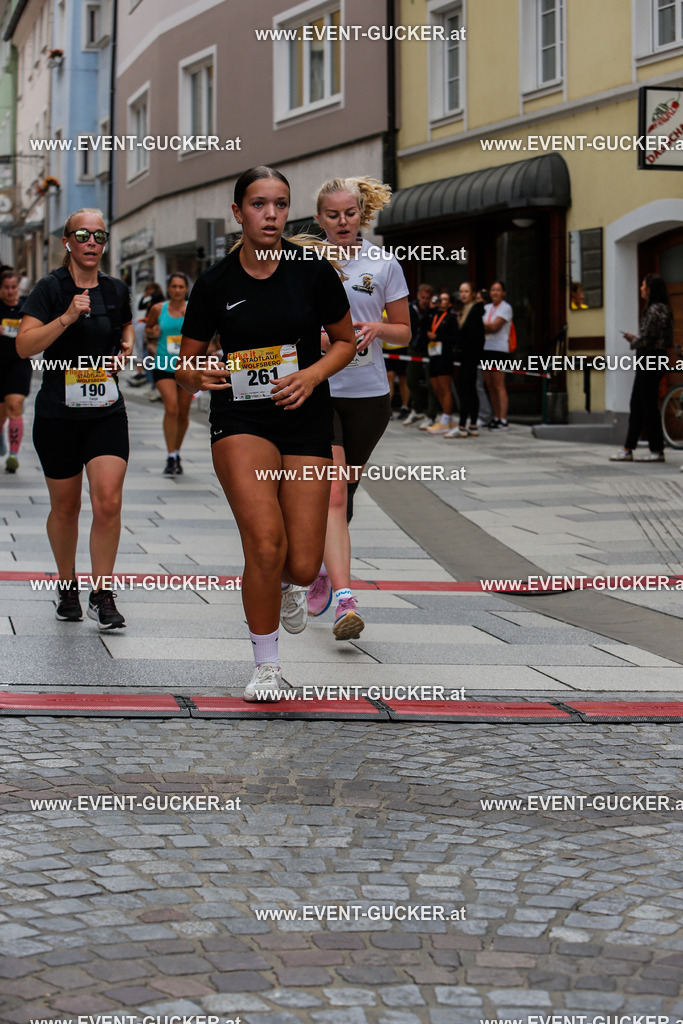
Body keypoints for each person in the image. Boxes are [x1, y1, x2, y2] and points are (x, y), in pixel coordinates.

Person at [176, 166, 355, 701]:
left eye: (280, 204)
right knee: (264, 542)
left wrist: (312, 373)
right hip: (241, 419)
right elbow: (185, 363)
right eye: (259, 204)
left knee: (300, 562)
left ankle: (288, 587)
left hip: (304, 414)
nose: (271, 213)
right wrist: (194, 375)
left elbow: (345, 342)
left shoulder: (313, 271)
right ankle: (266, 664)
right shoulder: (214, 283)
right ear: (239, 213)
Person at [16, 208, 133, 628]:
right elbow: (24, 347)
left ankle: (102, 593)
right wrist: (65, 318)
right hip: (58, 415)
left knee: (109, 500)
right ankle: (67, 584)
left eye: (99, 236)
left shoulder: (116, 288)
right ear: (67, 241)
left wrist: (124, 351)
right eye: (82, 234)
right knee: (66, 507)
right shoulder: (50, 288)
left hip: (105, 411)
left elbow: (126, 328)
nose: (91, 242)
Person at [305, 176, 410, 639]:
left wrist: (375, 329)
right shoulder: (305, 261)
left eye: (350, 213)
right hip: (321, 389)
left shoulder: (384, 263)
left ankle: (325, 567)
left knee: (343, 495)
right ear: (320, 218)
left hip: (369, 397)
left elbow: (405, 331)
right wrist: (317, 339)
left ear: (361, 214)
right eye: (332, 214)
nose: (342, 221)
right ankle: (345, 599)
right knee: (331, 491)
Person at [610, 273, 673, 463]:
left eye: (644, 286)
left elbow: (646, 340)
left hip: (649, 359)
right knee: (638, 403)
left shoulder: (653, 311)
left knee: (645, 405)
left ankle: (655, 450)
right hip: (657, 358)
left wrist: (633, 339)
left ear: (651, 289)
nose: (641, 289)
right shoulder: (665, 310)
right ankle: (628, 448)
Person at [145, 273, 193, 475]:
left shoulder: (193, 308)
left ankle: (178, 451)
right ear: (168, 288)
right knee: (171, 408)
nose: (177, 290)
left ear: (186, 289)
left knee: (183, 412)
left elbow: (205, 333)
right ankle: (170, 454)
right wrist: (152, 333)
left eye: (181, 287)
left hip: (188, 366)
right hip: (163, 364)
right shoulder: (158, 309)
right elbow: (148, 330)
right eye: (173, 286)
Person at [446, 281, 486, 438]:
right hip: (467, 355)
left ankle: (462, 425)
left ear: (472, 293)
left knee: (465, 389)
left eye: (466, 291)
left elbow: (476, 336)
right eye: (461, 291)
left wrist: (462, 349)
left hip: (470, 355)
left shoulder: (475, 310)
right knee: (470, 389)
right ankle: (472, 424)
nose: (463, 294)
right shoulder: (463, 310)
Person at [0, 270, 31, 472]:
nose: (11, 291)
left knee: (14, 406)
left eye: (14, 287)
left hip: (20, 364)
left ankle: (13, 455)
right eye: (6, 288)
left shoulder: (27, 308)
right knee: (1, 414)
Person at [423, 290, 458, 435]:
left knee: (445, 389)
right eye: (439, 299)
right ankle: (445, 417)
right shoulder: (433, 315)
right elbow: (421, 324)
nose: (441, 301)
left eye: (444, 299)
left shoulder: (451, 318)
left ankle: (446, 418)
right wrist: (430, 308)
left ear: (449, 303)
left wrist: (438, 336)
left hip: (445, 356)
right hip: (433, 355)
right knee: (436, 388)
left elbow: (454, 337)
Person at [403, 283, 436, 427]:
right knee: (411, 380)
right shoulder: (411, 308)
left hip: (430, 348)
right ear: (418, 296)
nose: (425, 300)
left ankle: (431, 414)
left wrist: (431, 311)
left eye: (427, 298)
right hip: (415, 347)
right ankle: (416, 409)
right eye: (423, 297)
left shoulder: (433, 311)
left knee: (431, 383)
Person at [482, 280, 513, 430]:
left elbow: (495, 327)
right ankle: (495, 416)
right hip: (486, 348)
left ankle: (503, 419)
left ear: (503, 293)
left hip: (499, 349)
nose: (495, 293)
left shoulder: (506, 308)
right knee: (489, 384)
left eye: (498, 290)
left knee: (499, 384)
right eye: (492, 290)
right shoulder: (486, 307)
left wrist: (483, 325)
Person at [129, 281, 164, 388]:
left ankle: (149, 377)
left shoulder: (157, 297)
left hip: (151, 327)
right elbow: (141, 306)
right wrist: (144, 296)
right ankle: (144, 374)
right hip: (147, 326)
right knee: (144, 353)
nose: (146, 292)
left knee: (147, 354)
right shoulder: (150, 300)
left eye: (147, 290)